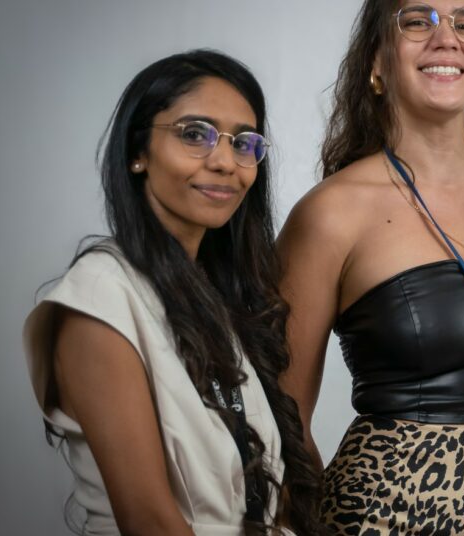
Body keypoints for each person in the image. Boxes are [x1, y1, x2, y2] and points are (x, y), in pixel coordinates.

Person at [277, 0, 464, 532]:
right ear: (377, 61)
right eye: (418, 20)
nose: (447, 37)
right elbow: (282, 424)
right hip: (386, 515)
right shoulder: (328, 214)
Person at [22, 50, 325, 535]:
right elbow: (150, 522)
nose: (225, 162)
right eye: (194, 134)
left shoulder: (219, 297)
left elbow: (275, 492)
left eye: (243, 143)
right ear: (137, 152)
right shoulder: (99, 299)